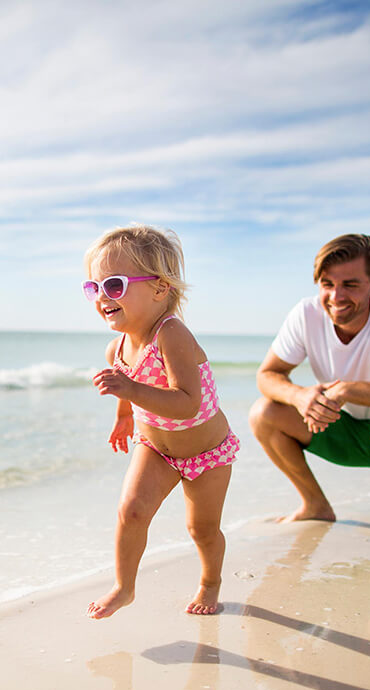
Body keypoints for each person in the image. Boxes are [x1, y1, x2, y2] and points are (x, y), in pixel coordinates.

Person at [249, 233, 370, 542]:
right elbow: (267, 375)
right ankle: (315, 504)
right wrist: (300, 396)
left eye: (350, 285)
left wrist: (347, 390)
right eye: (327, 284)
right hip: (345, 430)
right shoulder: (306, 313)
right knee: (263, 413)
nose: (336, 297)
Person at [82, 225, 239, 618]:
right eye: (94, 287)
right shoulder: (115, 347)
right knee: (130, 510)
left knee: (201, 529)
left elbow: (187, 403)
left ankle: (210, 582)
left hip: (207, 454)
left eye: (115, 285)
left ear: (159, 288)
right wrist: (123, 417)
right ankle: (124, 587)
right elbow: (126, 388)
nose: (103, 297)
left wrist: (130, 391)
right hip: (154, 446)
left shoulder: (172, 335)